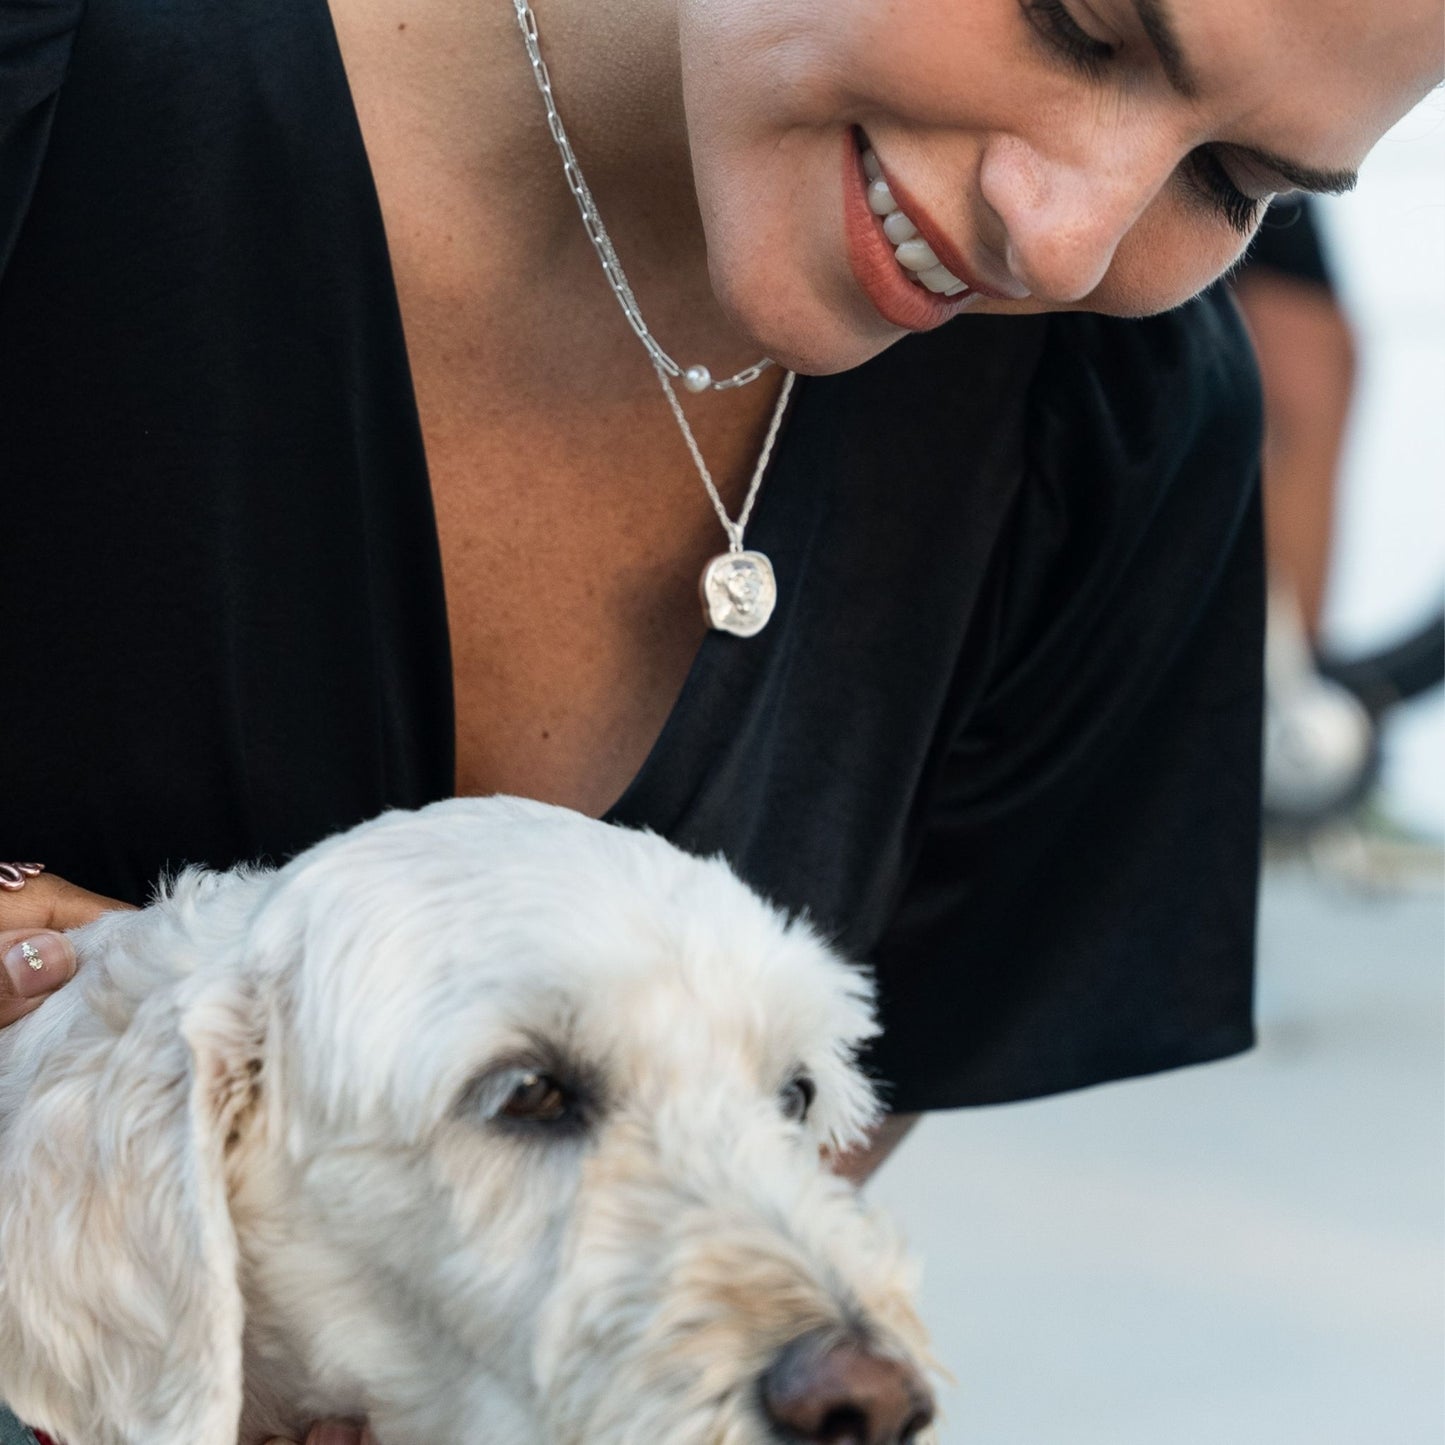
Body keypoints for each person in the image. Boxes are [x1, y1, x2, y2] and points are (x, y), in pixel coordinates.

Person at [0, 0, 1439, 1438]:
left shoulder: (1106, 442)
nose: (1062, 239)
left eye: (1233, 180)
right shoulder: (63, 89)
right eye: (1076, 24)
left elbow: (792, 1194)